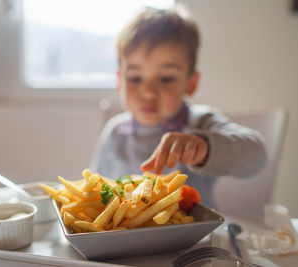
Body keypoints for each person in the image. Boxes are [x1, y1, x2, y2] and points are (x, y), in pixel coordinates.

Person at [89, 7, 266, 209]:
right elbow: (95, 192)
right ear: (120, 81)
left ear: (191, 83)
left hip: (195, 240)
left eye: (166, 78)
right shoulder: (114, 133)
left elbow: (256, 156)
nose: (148, 92)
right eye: (135, 78)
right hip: (124, 240)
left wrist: (204, 147)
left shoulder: (201, 123)